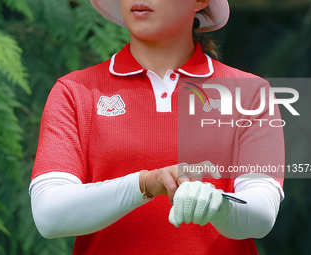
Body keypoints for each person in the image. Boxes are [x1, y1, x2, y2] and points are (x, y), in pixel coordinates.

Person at [29, 0, 285, 254]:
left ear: (200, 2)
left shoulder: (251, 94)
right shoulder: (74, 92)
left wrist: (217, 206)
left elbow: (261, 213)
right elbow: (49, 215)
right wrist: (143, 184)